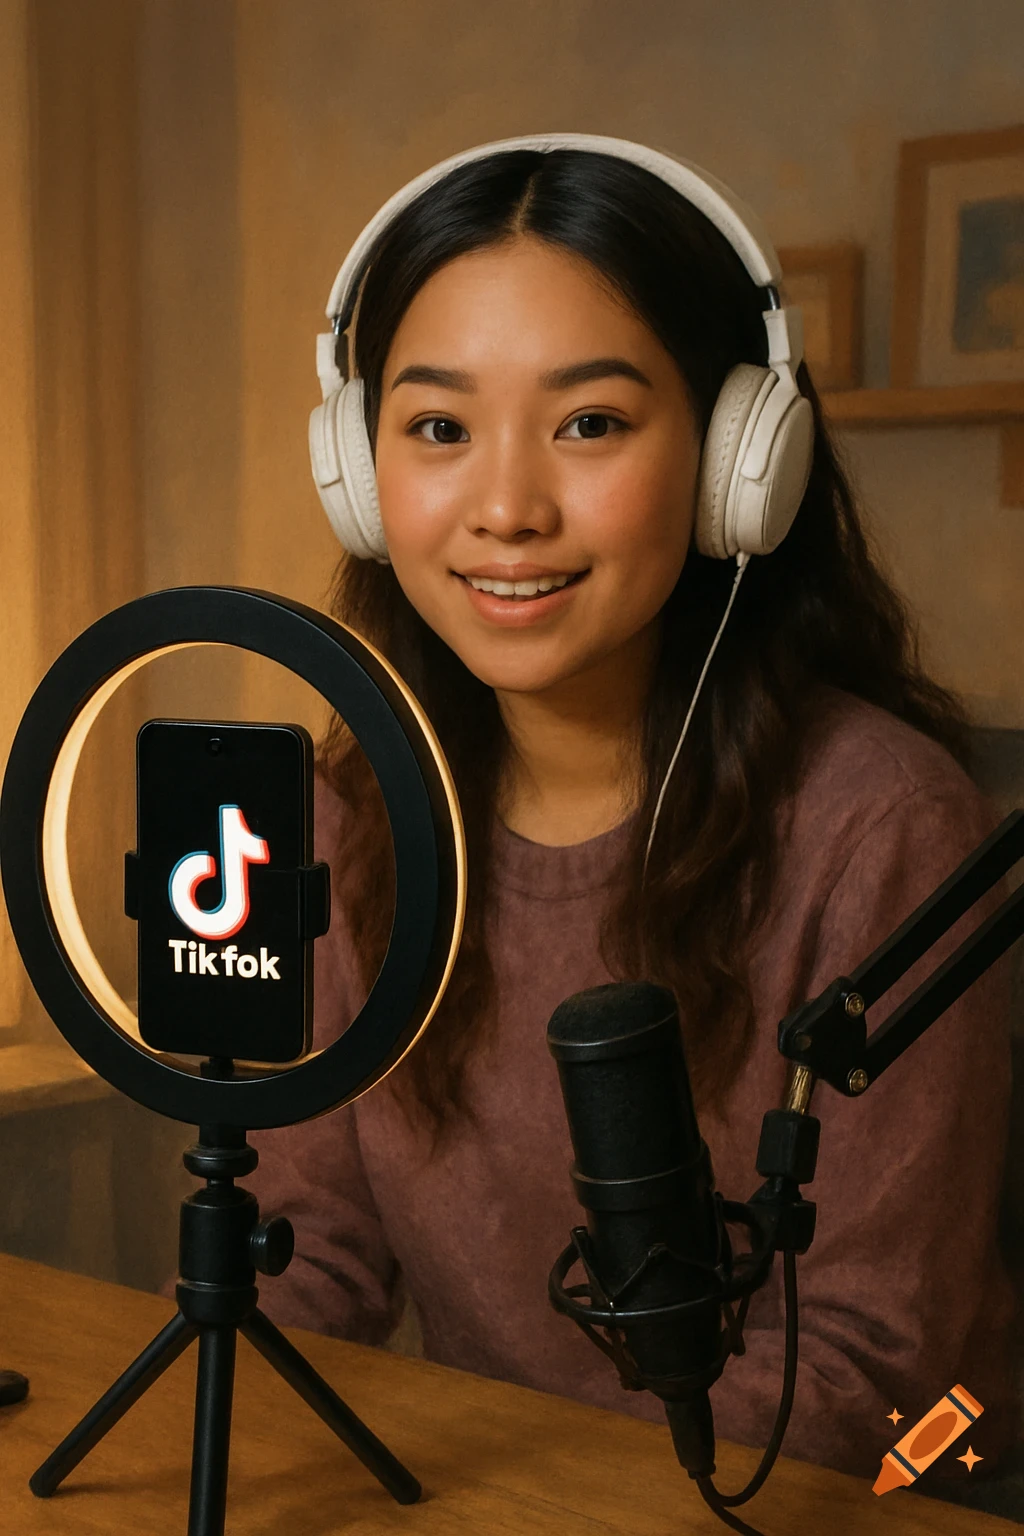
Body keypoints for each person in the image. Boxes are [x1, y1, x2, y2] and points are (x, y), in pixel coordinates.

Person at [250, 136, 1016, 1483]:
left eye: (591, 422)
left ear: (739, 460)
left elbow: (862, 1370)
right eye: (437, 427)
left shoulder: (883, 824)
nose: (505, 508)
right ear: (360, 476)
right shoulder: (353, 812)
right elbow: (314, 1255)